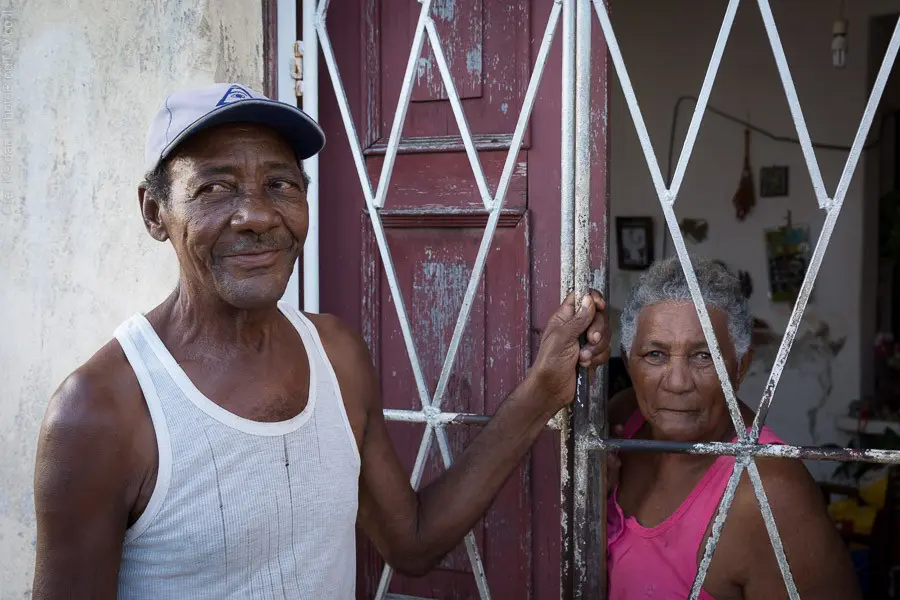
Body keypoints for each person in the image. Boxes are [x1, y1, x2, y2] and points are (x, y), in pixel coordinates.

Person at [31, 83, 611, 599]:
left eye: (280, 184)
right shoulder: (100, 411)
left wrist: (542, 391)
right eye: (214, 189)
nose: (256, 214)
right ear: (154, 212)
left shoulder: (335, 356)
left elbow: (410, 542)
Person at [606, 256, 860, 600]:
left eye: (703, 355)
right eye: (655, 354)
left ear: (741, 368)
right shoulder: (623, 421)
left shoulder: (769, 491)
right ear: (628, 359)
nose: (678, 383)